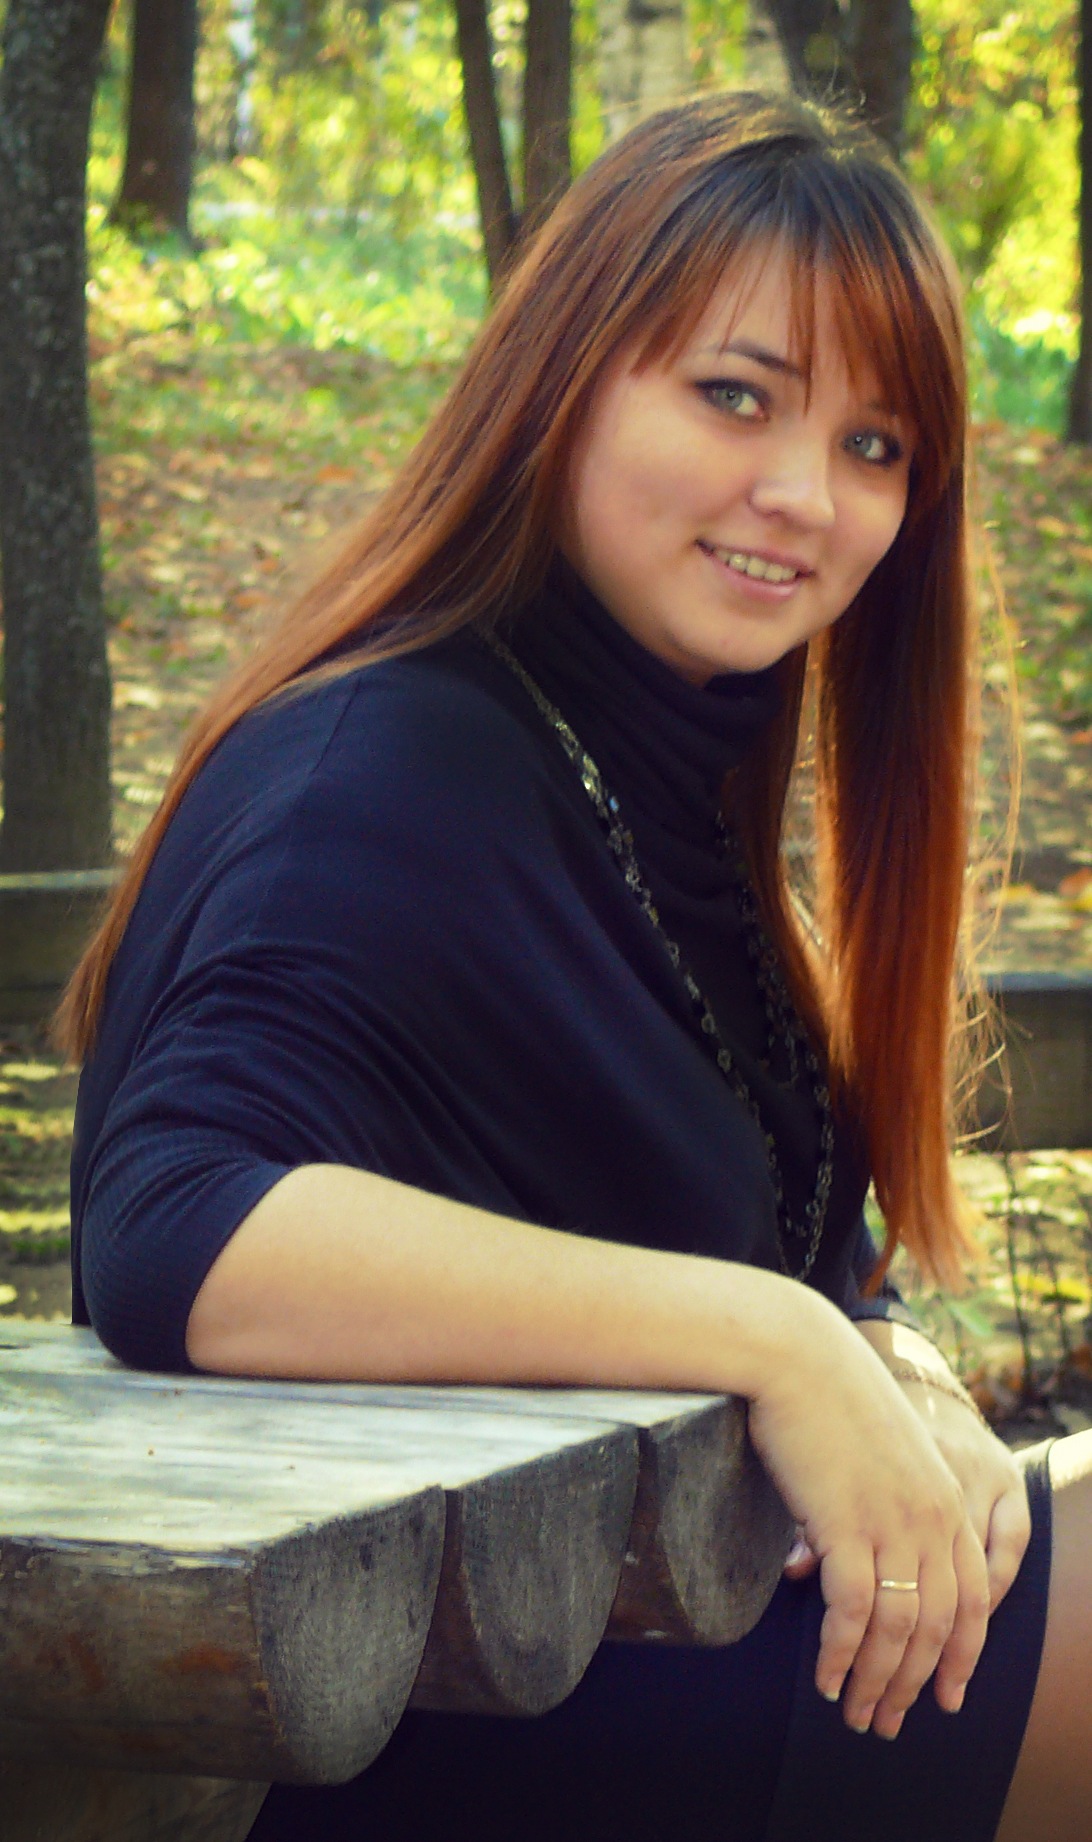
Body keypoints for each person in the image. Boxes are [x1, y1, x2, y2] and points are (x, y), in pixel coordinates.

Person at [62, 91, 1092, 1842]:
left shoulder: (659, 789)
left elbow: (769, 1236)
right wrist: (781, 1340)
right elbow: (177, 1225)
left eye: (875, 444)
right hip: (443, 1705)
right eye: (737, 395)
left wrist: (881, 1353)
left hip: (705, 1625)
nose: (805, 496)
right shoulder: (389, 756)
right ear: (567, 377)